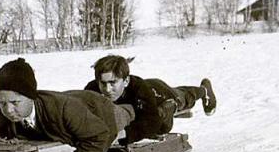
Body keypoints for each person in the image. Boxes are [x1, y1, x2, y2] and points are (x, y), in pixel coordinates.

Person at [0, 58, 135, 152]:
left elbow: (99, 135)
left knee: (128, 114)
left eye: (15, 102)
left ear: (31, 97)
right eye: (2, 103)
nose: (8, 110)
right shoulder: (2, 114)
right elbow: (3, 136)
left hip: (101, 110)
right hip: (77, 106)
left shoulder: (63, 109)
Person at [84, 55, 217, 143]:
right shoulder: (92, 89)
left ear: (125, 81)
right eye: (103, 83)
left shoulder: (139, 89)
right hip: (139, 101)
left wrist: (123, 134)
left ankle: (204, 90)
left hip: (158, 93)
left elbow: (152, 122)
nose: (107, 89)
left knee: (183, 98)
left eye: (113, 83)